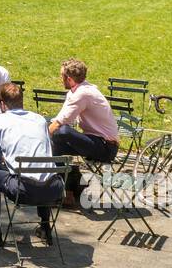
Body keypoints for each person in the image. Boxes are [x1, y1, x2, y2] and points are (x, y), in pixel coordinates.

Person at [0, 83, 63, 248]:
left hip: (24, 189)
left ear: (2, 104)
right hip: (54, 188)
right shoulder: (39, 119)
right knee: (40, 170)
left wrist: (6, 160)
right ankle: (45, 225)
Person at [47, 59, 119, 208]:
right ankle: (70, 189)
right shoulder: (76, 91)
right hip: (94, 142)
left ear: (69, 79)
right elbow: (58, 120)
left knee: (62, 132)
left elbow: (60, 123)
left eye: (62, 77)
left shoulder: (83, 94)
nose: (60, 80)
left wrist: (40, 139)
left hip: (106, 147)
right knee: (56, 144)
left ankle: (71, 185)